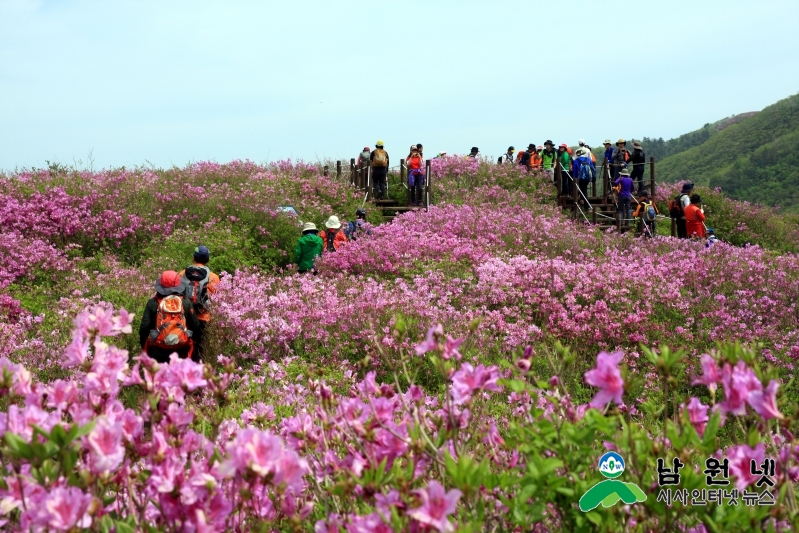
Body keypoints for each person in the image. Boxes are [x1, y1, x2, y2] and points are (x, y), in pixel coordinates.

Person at [139, 271, 200, 363]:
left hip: (157, 349)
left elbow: (144, 327)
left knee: (158, 376)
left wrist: (144, 345)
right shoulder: (186, 302)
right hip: (181, 349)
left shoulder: (152, 303)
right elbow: (195, 325)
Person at [178, 246, 220, 361]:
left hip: (184, 318)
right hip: (203, 318)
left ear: (193, 258)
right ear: (208, 259)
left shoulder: (182, 274)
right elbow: (217, 300)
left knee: (183, 349)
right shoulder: (214, 278)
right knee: (199, 351)